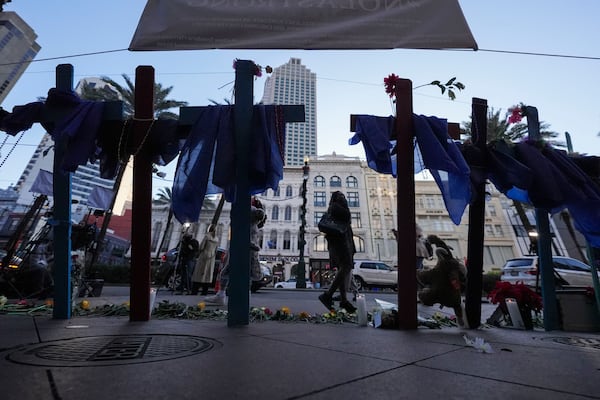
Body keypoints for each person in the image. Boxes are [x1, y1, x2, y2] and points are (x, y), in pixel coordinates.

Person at [205, 198, 266, 305]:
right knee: (243, 274)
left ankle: (224, 295)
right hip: (243, 249)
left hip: (240, 249)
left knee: (230, 272)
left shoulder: (249, 222)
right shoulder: (254, 225)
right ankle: (236, 296)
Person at [318, 191, 357, 313]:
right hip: (341, 243)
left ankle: (344, 300)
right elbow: (347, 217)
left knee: (343, 269)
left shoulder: (334, 208)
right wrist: (344, 204)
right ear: (335, 198)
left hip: (340, 242)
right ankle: (328, 295)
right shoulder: (336, 207)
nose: (343, 198)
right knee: (346, 267)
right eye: (340, 196)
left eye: (344, 196)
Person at [191, 224, 219, 296]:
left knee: (198, 273)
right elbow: (216, 249)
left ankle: (195, 291)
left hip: (204, 256)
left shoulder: (207, 236)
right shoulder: (216, 239)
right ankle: (204, 292)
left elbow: (201, 247)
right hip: (211, 257)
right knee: (208, 275)